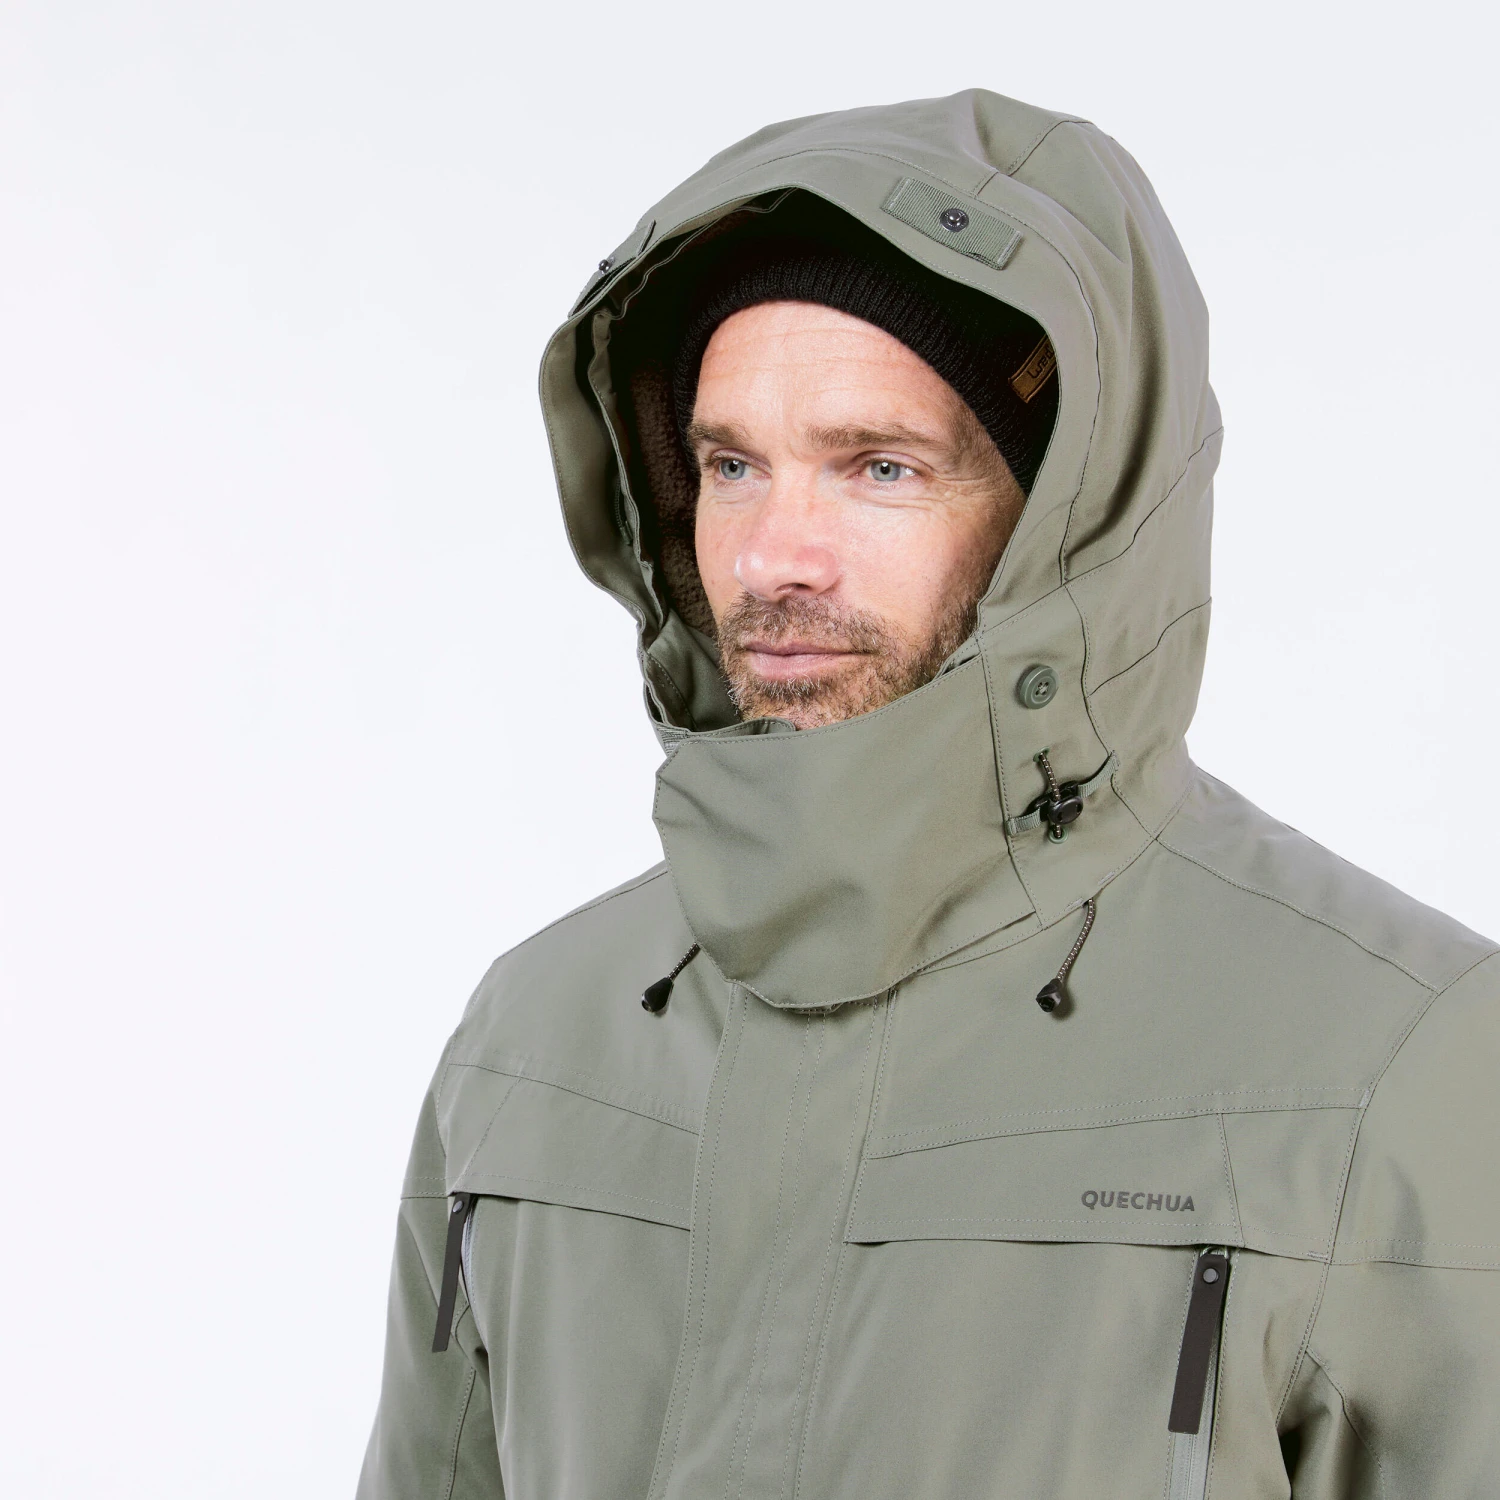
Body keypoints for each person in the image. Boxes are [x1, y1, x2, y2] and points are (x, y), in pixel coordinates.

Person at [358, 91, 1500, 1499]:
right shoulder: (536, 1040)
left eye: (879, 467)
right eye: (730, 465)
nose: (772, 556)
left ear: (1064, 519)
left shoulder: (1400, 1061)